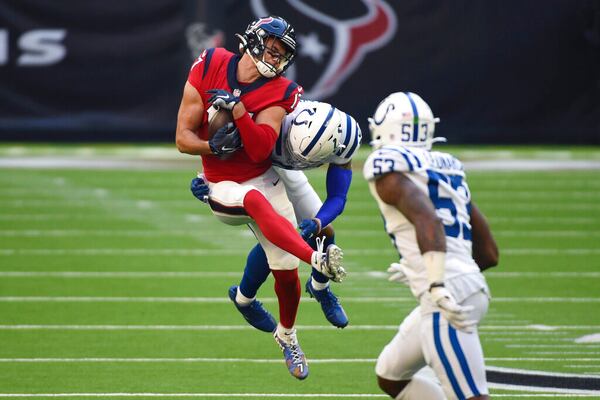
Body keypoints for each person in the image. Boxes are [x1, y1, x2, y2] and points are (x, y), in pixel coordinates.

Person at [175, 15, 345, 380]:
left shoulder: (281, 90)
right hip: (222, 184)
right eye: (273, 46)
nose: (277, 55)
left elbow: (260, 149)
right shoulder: (211, 64)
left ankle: (287, 335)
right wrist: (211, 147)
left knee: (285, 271)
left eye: (283, 51)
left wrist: (237, 111)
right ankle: (314, 260)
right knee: (257, 205)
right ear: (253, 40)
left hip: (266, 173)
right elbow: (182, 138)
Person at [363, 92, 499, 399]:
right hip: (470, 286)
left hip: (444, 297)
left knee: (471, 396)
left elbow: (429, 220)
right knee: (391, 374)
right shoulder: (446, 168)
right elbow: (489, 253)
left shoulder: (387, 167)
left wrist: (436, 282)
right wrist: (420, 268)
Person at [192, 100, 361, 331]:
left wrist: (317, 221)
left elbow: (338, 197)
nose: (297, 159)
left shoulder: (346, 136)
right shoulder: (271, 115)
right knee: (279, 239)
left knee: (325, 232)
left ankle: (320, 288)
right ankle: (244, 298)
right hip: (259, 166)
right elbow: (226, 154)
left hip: (280, 165)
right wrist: (205, 180)